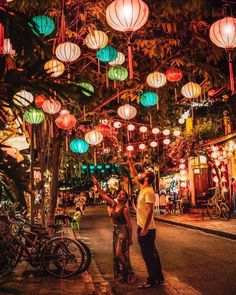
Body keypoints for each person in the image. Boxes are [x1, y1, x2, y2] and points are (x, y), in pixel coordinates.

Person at [92, 176, 136, 284]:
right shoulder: (113, 204)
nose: (121, 195)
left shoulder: (124, 209)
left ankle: (130, 271)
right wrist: (97, 183)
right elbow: (102, 194)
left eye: (123, 194)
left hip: (123, 231)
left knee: (119, 253)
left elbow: (129, 224)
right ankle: (124, 273)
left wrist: (130, 238)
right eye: (120, 193)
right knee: (118, 254)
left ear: (125, 198)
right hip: (116, 231)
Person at [128, 159, 164, 289]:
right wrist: (130, 163)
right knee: (152, 254)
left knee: (148, 256)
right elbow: (134, 175)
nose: (141, 175)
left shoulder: (149, 191)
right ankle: (158, 278)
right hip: (144, 227)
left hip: (146, 228)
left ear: (147, 179)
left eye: (143, 174)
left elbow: (150, 212)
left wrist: (144, 228)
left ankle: (151, 279)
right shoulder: (143, 188)